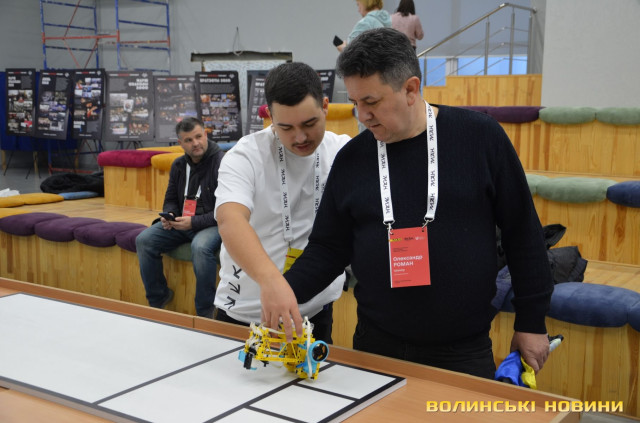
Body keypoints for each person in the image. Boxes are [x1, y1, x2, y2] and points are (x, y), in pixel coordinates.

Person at [266, 28, 555, 379]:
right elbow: (328, 249)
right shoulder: (353, 159)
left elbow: (522, 233)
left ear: (410, 89)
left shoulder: (480, 138)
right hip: (375, 345)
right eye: (355, 103)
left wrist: (532, 321)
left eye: (371, 102)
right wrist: (284, 291)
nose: (361, 115)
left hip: (462, 350)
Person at [213, 62, 350, 343]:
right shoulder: (245, 156)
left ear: (325, 106)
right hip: (248, 313)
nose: (300, 137)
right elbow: (230, 220)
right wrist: (272, 280)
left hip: (315, 311)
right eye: (285, 127)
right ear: (270, 117)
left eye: (309, 124)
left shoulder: (342, 151)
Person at [136, 117, 224, 318]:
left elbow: (224, 210)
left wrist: (193, 222)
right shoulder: (178, 165)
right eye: (188, 140)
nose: (195, 143)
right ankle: (158, 298)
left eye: (198, 137)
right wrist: (170, 216)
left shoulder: (222, 162)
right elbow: (170, 200)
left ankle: (205, 312)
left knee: (200, 248)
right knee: (144, 240)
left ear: (205, 135)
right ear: (180, 143)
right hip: (183, 222)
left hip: (213, 223)